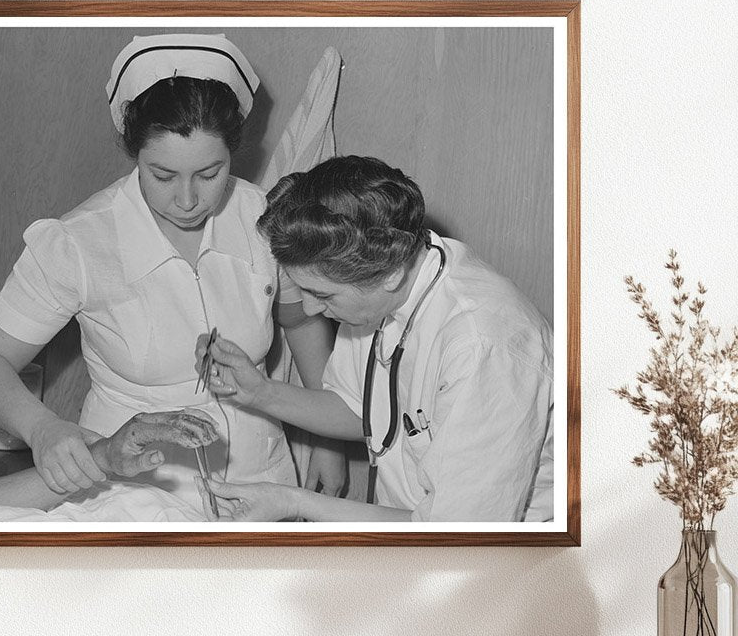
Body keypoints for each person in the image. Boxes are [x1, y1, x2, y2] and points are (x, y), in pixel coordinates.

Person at [0, 33, 343, 510]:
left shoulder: (263, 217)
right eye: (162, 176)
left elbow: (300, 318)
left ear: (235, 153)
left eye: (210, 174)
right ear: (133, 152)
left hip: (261, 482)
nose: (187, 200)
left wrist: (328, 441)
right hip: (135, 492)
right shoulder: (78, 243)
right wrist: (42, 428)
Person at [195, 155, 555, 523]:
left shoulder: (483, 347)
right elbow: (360, 410)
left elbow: (456, 535)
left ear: (391, 274)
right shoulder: (382, 279)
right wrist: (259, 392)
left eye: (323, 294)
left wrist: (296, 503)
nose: (310, 308)